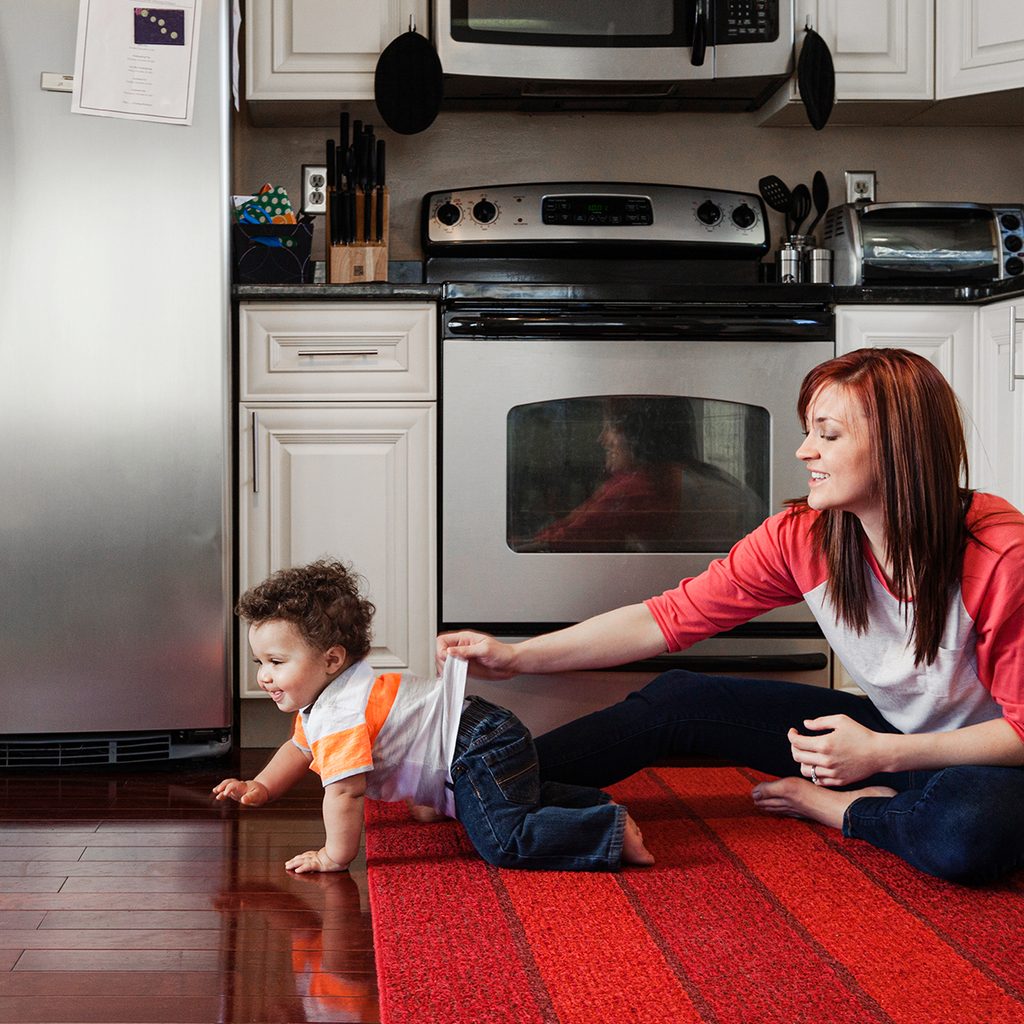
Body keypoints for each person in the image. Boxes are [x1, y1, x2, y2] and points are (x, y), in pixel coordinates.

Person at [437, 348, 1024, 884]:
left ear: (900, 447)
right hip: (888, 739)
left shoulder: (1002, 556)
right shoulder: (806, 535)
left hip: (991, 761)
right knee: (679, 698)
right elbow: (664, 618)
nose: (805, 451)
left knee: (967, 828)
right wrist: (516, 656)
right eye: (807, 432)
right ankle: (478, 782)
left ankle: (851, 809)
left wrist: (883, 756)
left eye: (828, 434)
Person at [214, 558, 654, 873]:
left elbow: (345, 792)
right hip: (480, 732)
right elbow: (299, 748)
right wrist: (262, 786)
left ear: (332, 659)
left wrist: (335, 855)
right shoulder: (333, 697)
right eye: (260, 663)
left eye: (276, 662)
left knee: (502, 840)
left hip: (477, 745)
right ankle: (587, 803)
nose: (264, 676)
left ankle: (604, 829)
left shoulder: (340, 715)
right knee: (496, 800)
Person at [519, 395, 764, 553]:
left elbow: (564, 539)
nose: (602, 438)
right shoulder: (698, 474)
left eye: (612, 427)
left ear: (638, 432)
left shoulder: (644, 485)